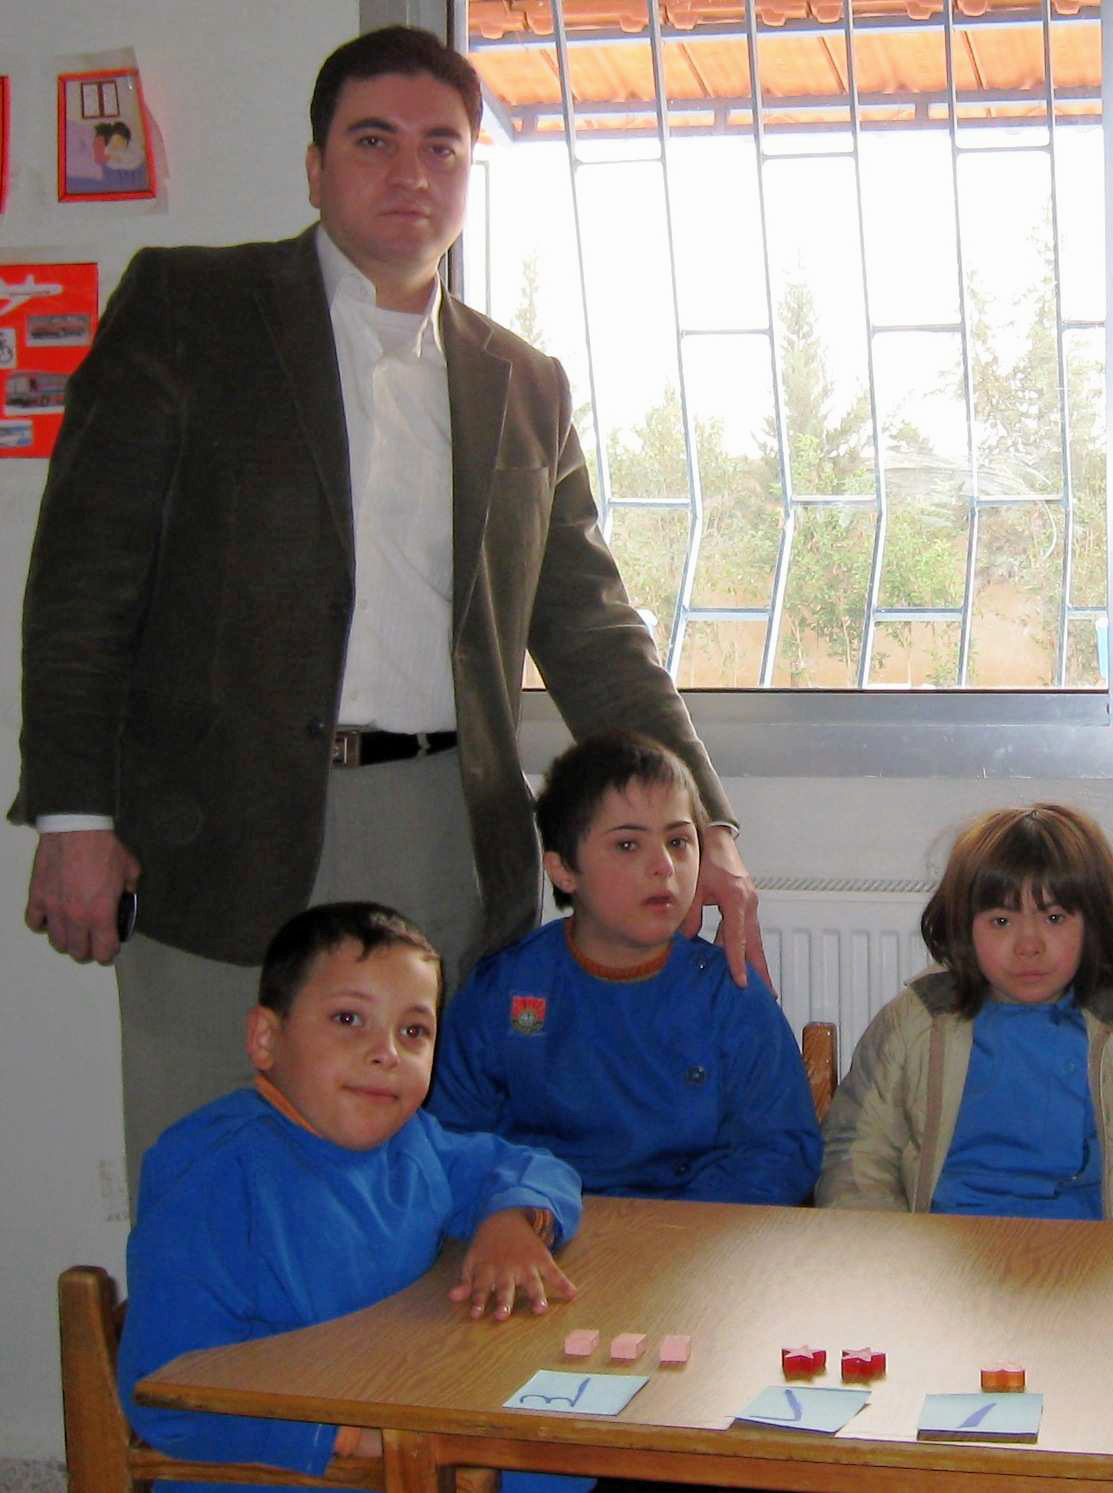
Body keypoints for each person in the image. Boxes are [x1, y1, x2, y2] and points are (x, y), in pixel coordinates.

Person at [12, 26, 764, 1193]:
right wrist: (73, 813)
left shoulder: (523, 381)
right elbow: (82, 581)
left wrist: (706, 822)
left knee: (422, 1188)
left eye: (442, 147)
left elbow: (594, 628)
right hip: (218, 826)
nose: (410, 172)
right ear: (315, 166)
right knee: (213, 1175)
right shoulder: (189, 311)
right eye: (374, 141)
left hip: (441, 832)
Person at [118, 902, 584, 1493]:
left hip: (397, 1405)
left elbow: (534, 1166)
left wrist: (513, 1221)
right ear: (265, 1038)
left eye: (413, 1031)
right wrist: (350, 1439)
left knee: (566, 1464)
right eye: (348, 1020)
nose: (386, 1052)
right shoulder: (214, 1176)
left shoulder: (411, 1141)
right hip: (280, 1465)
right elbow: (165, 1392)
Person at [429, 732, 820, 1203]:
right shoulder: (505, 989)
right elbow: (450, 1138)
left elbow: (782, 1149)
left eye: (679, 841)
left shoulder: (729, 992)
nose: (664, 866)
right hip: (538, 1230)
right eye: (628, 846)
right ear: (563, 871)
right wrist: (519, 1210)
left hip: (694, 1238)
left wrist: (678, 1230)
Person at [818, 803, 1113, 1221]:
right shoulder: (912, 1026)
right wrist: (879, 1245)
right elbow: (856, 1155)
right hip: (938, 1257)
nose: (1028, 945)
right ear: (963, 926)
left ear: (1094, 926)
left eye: (1054, 917)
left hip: (1099, 1260)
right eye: (1000, 921)